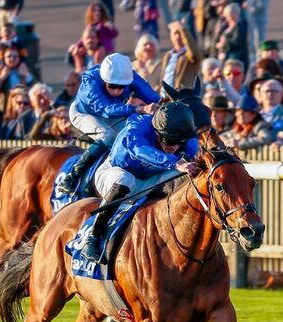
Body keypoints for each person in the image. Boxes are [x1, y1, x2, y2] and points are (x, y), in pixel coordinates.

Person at [84, 102, 199, 261]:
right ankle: (93, 237)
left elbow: (194, 157)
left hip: (148, 181)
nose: (174, 147)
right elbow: (139, 150)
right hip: (115, 174)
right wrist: (175, 162)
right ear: (157, 133)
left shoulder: (188, 139)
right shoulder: (137, 126)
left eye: (180, 142)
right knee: (126, 179)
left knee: (187, 176)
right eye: (169, 141)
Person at [60, 53, 160, 196]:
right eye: (112, 86)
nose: (117, 91)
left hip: (115, 112)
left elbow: (152, 96)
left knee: (129, 134)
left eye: (121, 87)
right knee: (108, 136)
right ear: (103, 80)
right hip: (84, 113)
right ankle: (72, 177)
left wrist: (165, 103)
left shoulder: (130, 76)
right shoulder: (90, 80)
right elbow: (106, 109)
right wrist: (139, 108)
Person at [159, 21, 200, 91]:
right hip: (165, 95)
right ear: (171, 36)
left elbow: (194, 54)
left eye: (180, 33)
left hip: (181, 95)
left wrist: (183, 29)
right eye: (175, 33)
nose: (178, 36)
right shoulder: (168, 55)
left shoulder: (189, 55)